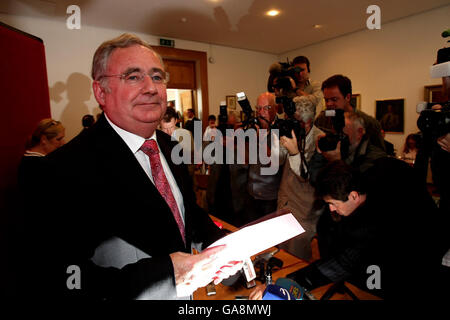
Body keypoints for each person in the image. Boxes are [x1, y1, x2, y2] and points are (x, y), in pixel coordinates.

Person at [18, 33, 242, 300]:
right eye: (133, 77)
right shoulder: (60, 169)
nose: (151, 88)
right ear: (101, 91)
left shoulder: (171, 148)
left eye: (157, 77)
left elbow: (187, 211)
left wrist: (221, 245)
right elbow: (61, 278)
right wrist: (168, 277)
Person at [285, 158, 446, 300]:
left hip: (422, 256)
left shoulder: (371, 224)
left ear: (354, 196)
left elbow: (342, 263)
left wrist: (290, 282)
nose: (331, 209)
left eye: (333, 203)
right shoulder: (367, 176)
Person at [277, 96, 324, 260]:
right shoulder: (290, 132)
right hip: (284, 206)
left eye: (294, 121)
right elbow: (276, 160)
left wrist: (295, 152)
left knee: (297, 261)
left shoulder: (321, 140)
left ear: (307, 122)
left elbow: (308, 176)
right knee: (281, 258)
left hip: (305, 216)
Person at [246, 92, 288, 222]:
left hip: (270, 197)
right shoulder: (253, 127)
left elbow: (276, 162)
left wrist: (260, 140)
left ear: (275, 109)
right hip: (251, 193)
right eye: (258, 108)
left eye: (266, 108)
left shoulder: (282, 129)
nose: (261, 112)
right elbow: (247, 160)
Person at [314, 74, 385, 151]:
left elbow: (379, 155)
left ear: (347, 97)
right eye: (326, 100)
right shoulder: (322, 118)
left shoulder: (369, 123)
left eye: (334, 99)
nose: (328, 104)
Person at [17, 118, 65, 187]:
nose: (63, 143)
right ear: (44, 139)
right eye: (59, 139)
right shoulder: (36, 164)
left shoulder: (34, 159)